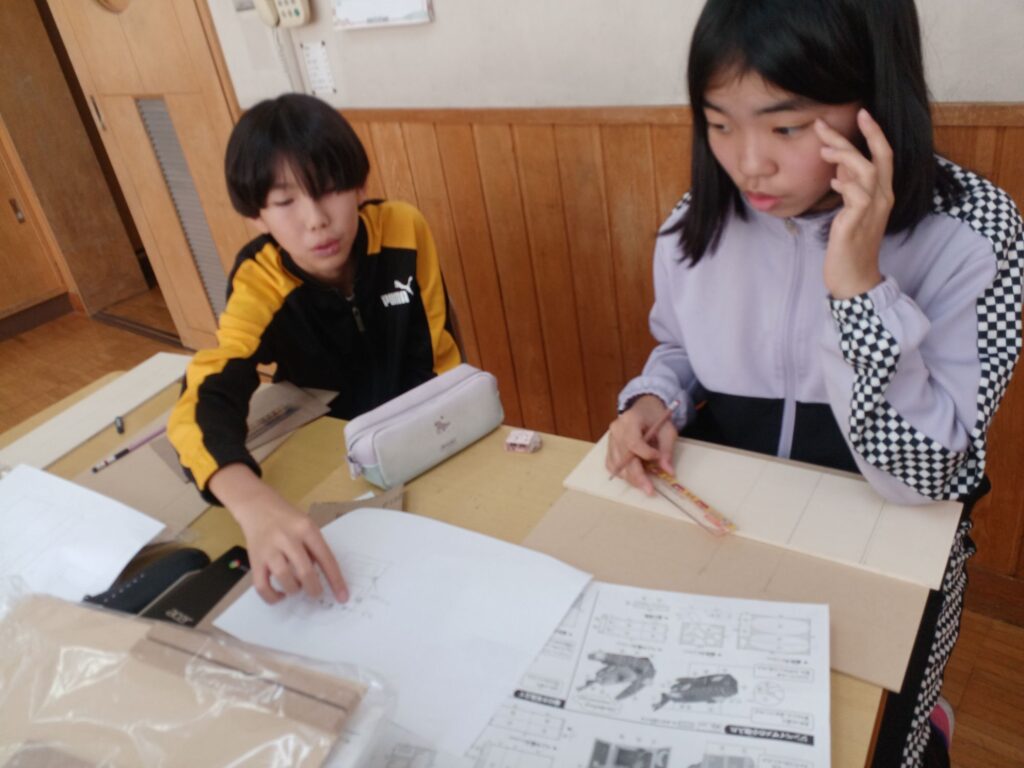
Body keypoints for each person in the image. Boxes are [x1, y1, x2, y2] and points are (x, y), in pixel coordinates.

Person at [605, 1, 1022, 766]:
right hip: (732, 520)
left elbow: (924, 477)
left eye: (787, 127)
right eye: (718, 123)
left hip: (894, 533)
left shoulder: (976, 229)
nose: (747, 164)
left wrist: (859, 287)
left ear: (874, 100)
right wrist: (655, 398)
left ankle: (927, 723)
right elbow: (678, 343)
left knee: (873, 743)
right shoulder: (700, 216)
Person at [168, 94, 461, 607]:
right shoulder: (260, 279)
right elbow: (206, 394)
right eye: (285, 203)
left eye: (328, 190)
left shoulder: (404, 228)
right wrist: (253, 503)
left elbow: (440, 352)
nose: (316, 220)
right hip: (325, 456)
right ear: (257, 216)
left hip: (420, 441)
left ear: (359, 186)